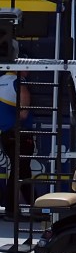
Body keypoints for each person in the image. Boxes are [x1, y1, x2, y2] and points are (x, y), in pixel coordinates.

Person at [0, 71, 33, 218]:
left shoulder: (2, 80)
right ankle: (11, 210)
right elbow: (24, 110)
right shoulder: (19, 81)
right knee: (19, 170)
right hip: (19, 132)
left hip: (5, 133)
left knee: (21, 170)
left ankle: (35, 206)